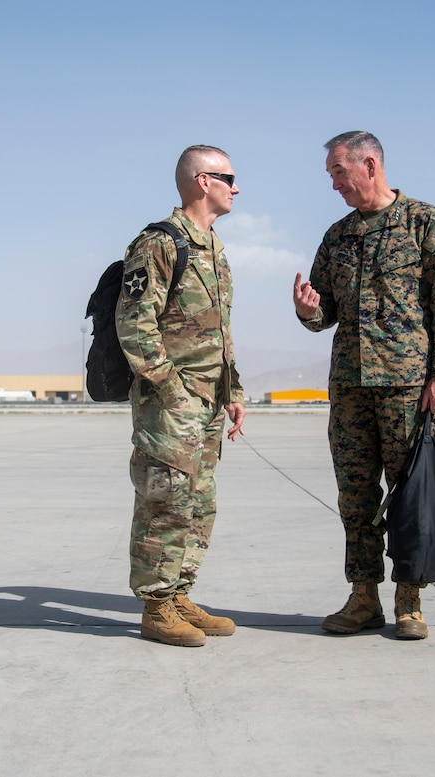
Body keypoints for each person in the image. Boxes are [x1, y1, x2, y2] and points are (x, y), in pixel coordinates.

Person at [293, 131, 435, 640]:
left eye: (338, 173)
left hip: (407, 387)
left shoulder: (424, 222)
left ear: (369, 165)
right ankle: (363, 596)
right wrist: (308, 311)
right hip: (349, 387)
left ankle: (409, 598)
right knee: (355, 496)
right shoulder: (338, 236)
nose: (334, 185)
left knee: (411, 494)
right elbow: (324, 312)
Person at [115, 144, 246, 647]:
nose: (236, 187)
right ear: (201, 181)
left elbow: (219, 331)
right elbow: (135, 324)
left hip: (209, 403)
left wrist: (232, 391)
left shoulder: (212, 246)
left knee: (199, 504)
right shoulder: (158, 243)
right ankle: (156, 606)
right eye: (228, 177)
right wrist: (170, 388)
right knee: (164, 501)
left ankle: (179, 595)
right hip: (171, 405)